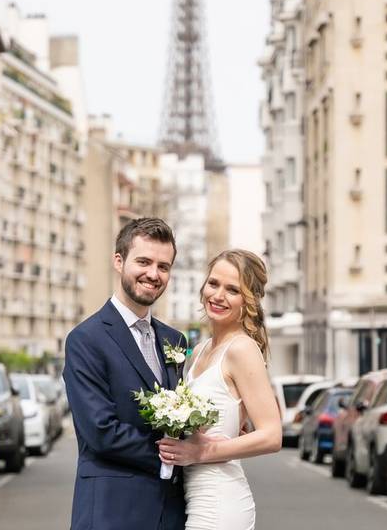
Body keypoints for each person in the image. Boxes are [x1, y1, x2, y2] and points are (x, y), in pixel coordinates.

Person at [63, 218, 188, 530]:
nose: (153, 274)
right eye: (143, 262)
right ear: (119, 262)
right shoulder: (86, 339)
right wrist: (174, 457)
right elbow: (100, 431)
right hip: (112, 512)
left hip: (170, 514)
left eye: (163, 266)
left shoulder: (175, 341)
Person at [158, 249, 282, 530]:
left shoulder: (242, 349)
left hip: (220, 500)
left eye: (233, 290)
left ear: (248, 301)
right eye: (213, 283)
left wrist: (201, 452)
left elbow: (272, 436)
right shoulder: (201, 350)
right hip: (195, 495)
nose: (218, 295)